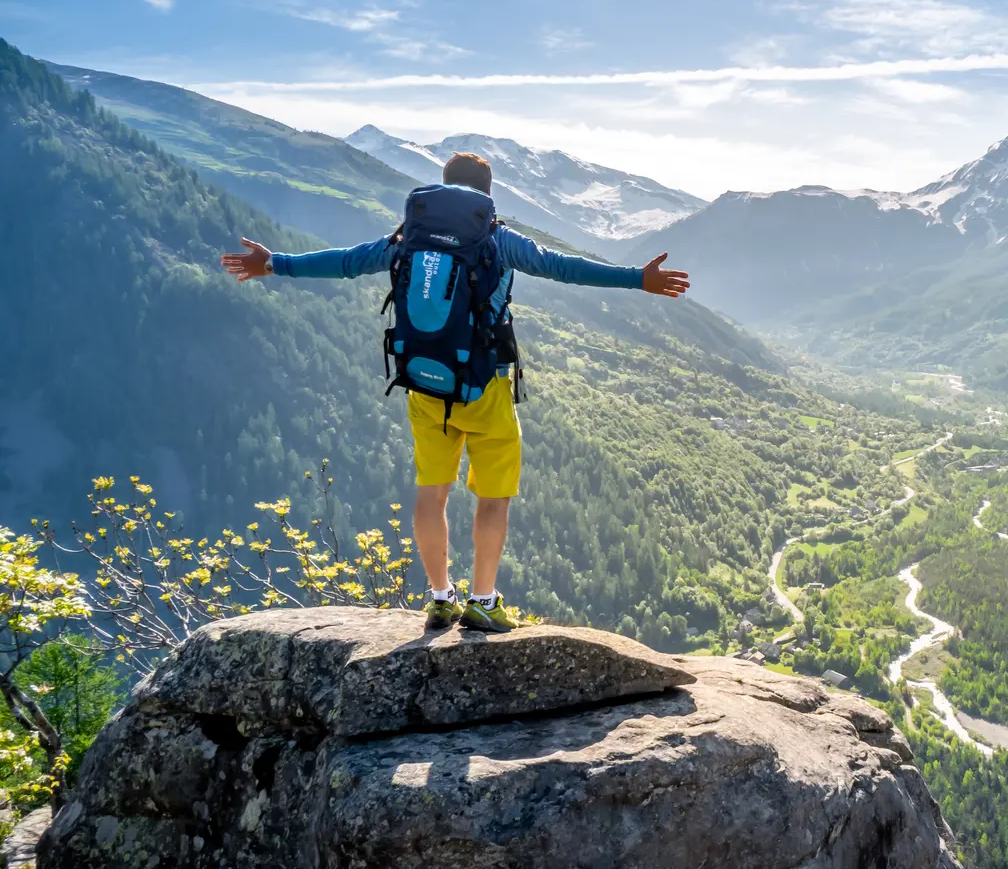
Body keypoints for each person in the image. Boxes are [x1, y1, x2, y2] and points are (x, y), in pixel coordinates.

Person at [220, 151, 690, 632]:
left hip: (423, 382)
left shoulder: (408, 237)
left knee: (432, 493)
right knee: (493, 497)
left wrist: (274, 263)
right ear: (487, 194)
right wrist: (639, 279)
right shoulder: (497, 239)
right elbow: (562, 268)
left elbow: (345, 262)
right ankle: (482, 601)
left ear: (443, 186)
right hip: (485, 386)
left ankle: (440, 598)